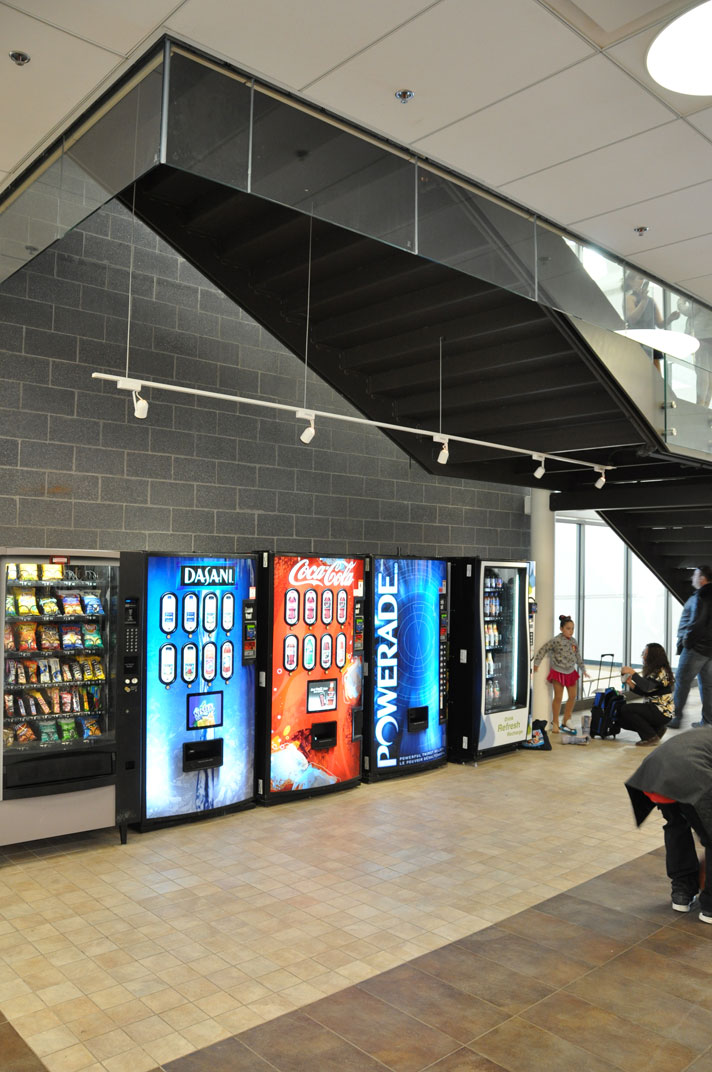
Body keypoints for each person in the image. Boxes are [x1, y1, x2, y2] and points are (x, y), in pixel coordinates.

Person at [625, 727, 712, 920]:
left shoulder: (704, 734)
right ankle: (710, 908)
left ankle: (682, 892)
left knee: (676, 825)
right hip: (687, 775)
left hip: (654, 777)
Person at [533, 614, 589, 734]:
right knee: (558, 697)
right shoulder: (556, 640)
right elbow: (543, 649)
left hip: (571, 672)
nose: (571, 631)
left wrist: (583, 669)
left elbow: (578, 656)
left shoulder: (574, 641)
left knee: (573, 696)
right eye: (568, 628)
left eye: (572, 628)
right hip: (558, 672)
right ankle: (555, 722)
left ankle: (566, 719)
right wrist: (536, 663)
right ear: (561, 629)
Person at [672, 565, 712, 729]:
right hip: (709, 649)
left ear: (702, 579)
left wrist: (687, 641)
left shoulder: (702, 595)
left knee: (682, 681)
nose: (692, 578)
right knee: (707, 685)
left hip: (696, 648)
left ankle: (676, 718)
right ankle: (708, 721)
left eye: (695, 575)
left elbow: (697, 622)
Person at [618, 643, 674, 746]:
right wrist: (629, 682)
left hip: (661, 711)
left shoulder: (661, 672)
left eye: (645, 654)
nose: (643, 656)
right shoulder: (654, 671)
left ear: (653, 656)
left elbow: (647, 687)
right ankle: (657, 730)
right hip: (656, 710)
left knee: (627, 709)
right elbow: (645, 691)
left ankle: (650, 736)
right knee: (621, 720)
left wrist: (632, 673)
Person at [624, 271, 679, 374]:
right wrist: (643, 301)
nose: (643, 281)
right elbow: (632, 318)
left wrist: (670, 318)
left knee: (655, 372)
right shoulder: (629, 298)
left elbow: (660, 324)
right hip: (637, 341)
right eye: (640, 278)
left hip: (650, 341)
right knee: (639, 370)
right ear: (631, 282)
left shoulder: (651, 301)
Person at [677, 297, 712, 407]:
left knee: (702, 372)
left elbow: (689, 311)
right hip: (709, 336)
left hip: (702, 336)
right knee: (709, 372)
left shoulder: (700, 294)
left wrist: (681, 301)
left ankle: (700, 404)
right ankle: (706, 404)